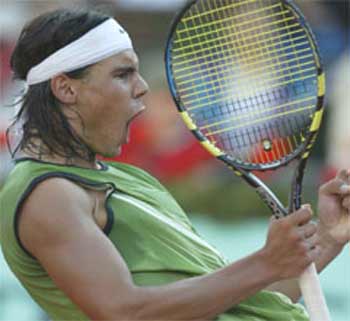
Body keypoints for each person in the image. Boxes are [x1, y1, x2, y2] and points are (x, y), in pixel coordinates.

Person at [0, 8, 349, 321]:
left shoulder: (130, 180)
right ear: (65, 88)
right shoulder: (48, 195)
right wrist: (265, 261)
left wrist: (329, 237)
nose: (142, 88)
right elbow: (123, 312)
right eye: (122, 75)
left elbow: (246, 302)